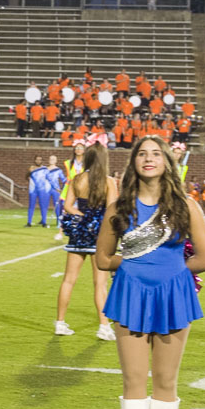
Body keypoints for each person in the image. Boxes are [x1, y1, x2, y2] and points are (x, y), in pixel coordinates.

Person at [96, 135, 205, 409]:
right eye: (142, 154)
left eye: (156, 154)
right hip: (130, 293)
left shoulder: (185, 206)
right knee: (133, 379)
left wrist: (173, 271)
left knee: (165, 380)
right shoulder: (119, 207)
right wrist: (134, 261)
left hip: (173, 295)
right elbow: (103, 259)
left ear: (167, 162)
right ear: (133, 162)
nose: (149, 159)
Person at [56, 137, 118, 341]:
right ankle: (103, 327)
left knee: (68, 279)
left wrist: (82, 217)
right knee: (100, 283)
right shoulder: (109, 182)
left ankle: (60, 323)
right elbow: (111, 210)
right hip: (99, 234)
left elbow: (67, 206)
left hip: (79, 233)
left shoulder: (78, 179)